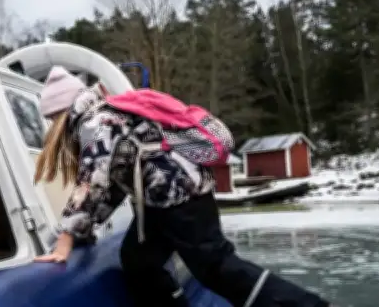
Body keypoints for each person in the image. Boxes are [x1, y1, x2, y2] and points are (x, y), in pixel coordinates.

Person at [32, 66, 330, 307]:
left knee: (216, 268)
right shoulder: (106, 116)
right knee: (139, 261)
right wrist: (84, 229)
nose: (50, 127)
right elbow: (114, 185)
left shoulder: (95, 123)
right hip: (159, 203)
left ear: (60, 113)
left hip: (181, 199)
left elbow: (92, 179)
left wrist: (66, 239)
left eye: (50, 119)